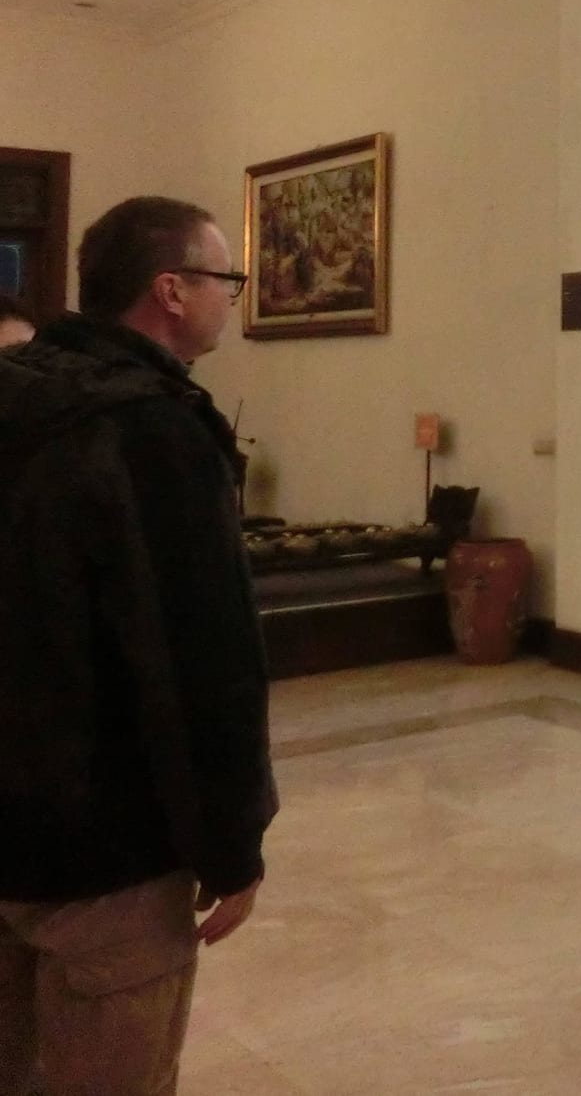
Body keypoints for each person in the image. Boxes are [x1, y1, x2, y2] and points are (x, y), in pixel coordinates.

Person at [0, 196, 277, 1096]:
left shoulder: (16, 392)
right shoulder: (152, 431)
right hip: (103, 845)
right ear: (171, 290)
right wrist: (233, 843)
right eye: (227, 278)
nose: (232, 296)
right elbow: (202, 661)